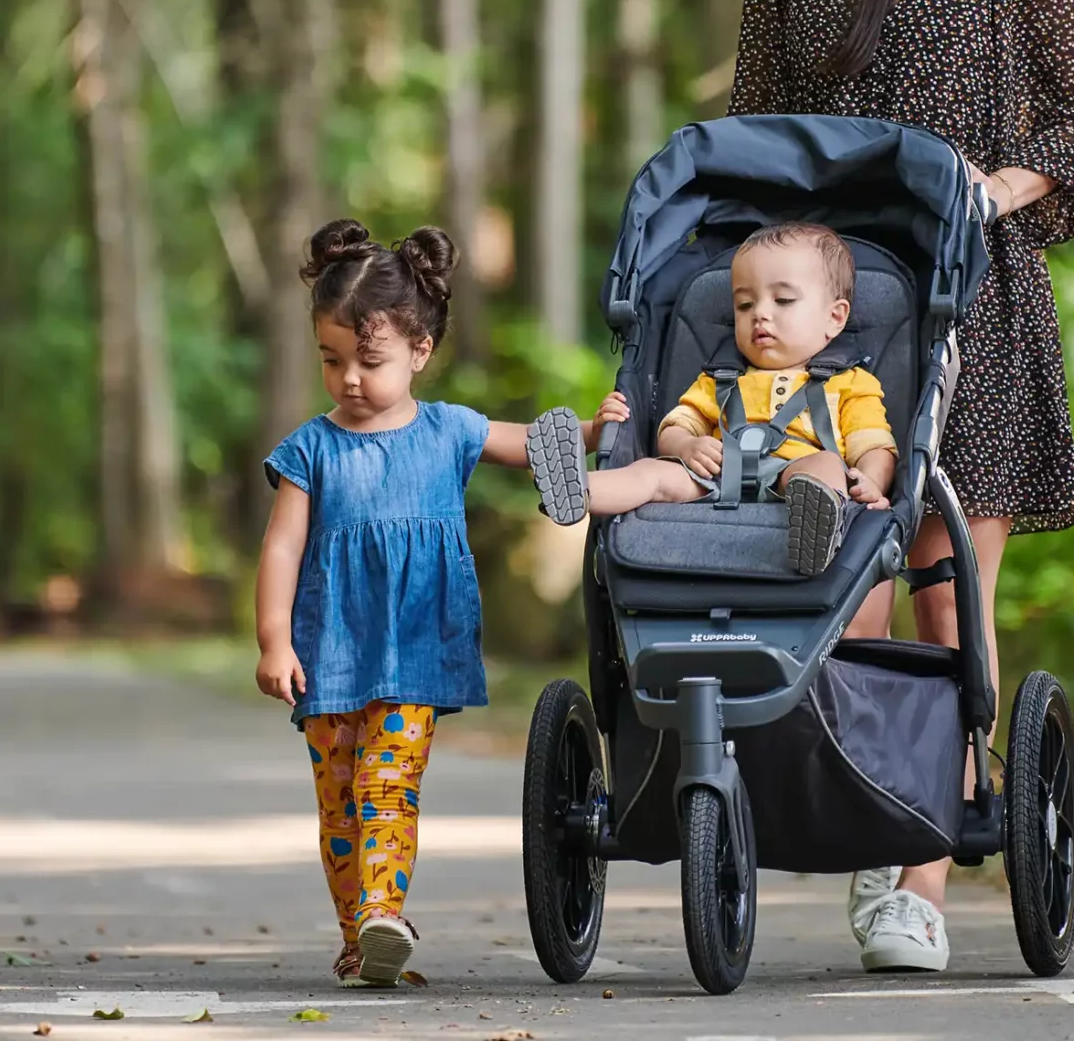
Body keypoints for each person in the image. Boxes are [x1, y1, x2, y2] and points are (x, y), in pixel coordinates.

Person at [727, 0, 1074, 973]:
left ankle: (920, 882)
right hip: (827, 319)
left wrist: (1008, 182)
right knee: (846, 579)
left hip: (971, 306)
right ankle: (866, 818)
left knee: (952, 594)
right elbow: (755, 135)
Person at [252, 220, 609, 990]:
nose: (349, 378)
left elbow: (527, 443)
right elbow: (281, 548)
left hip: (414, 645)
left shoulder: (448, 430)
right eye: (332, 360)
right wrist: (274, 640)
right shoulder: (310, 449)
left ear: (419, 350)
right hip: (328, 653)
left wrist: (592, 429)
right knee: (340, 805)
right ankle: (360, 939)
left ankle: (384, 910)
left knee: (388, 784)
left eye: (368, 360)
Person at [540, 223, 895, 578]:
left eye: (783, 300)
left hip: (795, 477)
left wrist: (870, 481)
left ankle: (817, 524)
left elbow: (874, 445)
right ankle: (579, 490)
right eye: (744, 304)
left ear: (835, 317)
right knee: (652, 474)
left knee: (826, 467)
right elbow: (677, 425)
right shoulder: (719, 379)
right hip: (717, 476)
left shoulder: (851, 384)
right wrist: (688, 446)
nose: (760, 313)